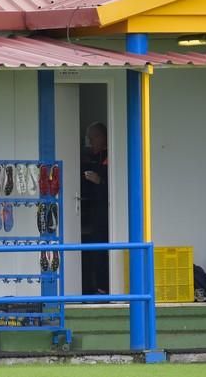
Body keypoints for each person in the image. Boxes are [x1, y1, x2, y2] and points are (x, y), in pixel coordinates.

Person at [81, 122, 109, 295]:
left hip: (106, 214)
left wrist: (100, 182)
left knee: (101, 250)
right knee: (91, 250)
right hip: (91, 212)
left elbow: (114, 187)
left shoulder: (109, 156)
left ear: (101, 137)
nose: (90, 143)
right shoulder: (91, 157)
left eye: (92, 139)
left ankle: (103, 289)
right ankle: (95, 287)